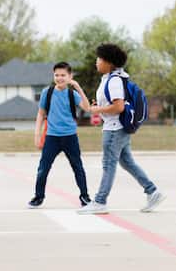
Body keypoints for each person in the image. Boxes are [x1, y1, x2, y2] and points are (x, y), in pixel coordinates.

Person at [78, 43, 165, 215]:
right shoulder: (112, 78)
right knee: (127, 163)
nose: (96, 62)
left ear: (109, 63)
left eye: (99, 59)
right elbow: (115, 104)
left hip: (114, 129)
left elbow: (118, 107)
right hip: (117, 128)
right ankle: (153, 192)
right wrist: (101, 106)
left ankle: (100, 201)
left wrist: (97, 110)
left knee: (109, 165)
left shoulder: (115, 81)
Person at [29, 62, 91, 208]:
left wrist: (78, 88)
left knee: (78, 167)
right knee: (43, 168)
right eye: (57, 75)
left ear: (70, 76)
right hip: (52, 137)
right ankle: (38, 197)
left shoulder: (72, 94)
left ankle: (85, 197)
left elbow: (87, 108)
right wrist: (37, 134)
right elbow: (41, 113)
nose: (59, 78)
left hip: (70, 137)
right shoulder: (47, 92)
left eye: (63, 75)